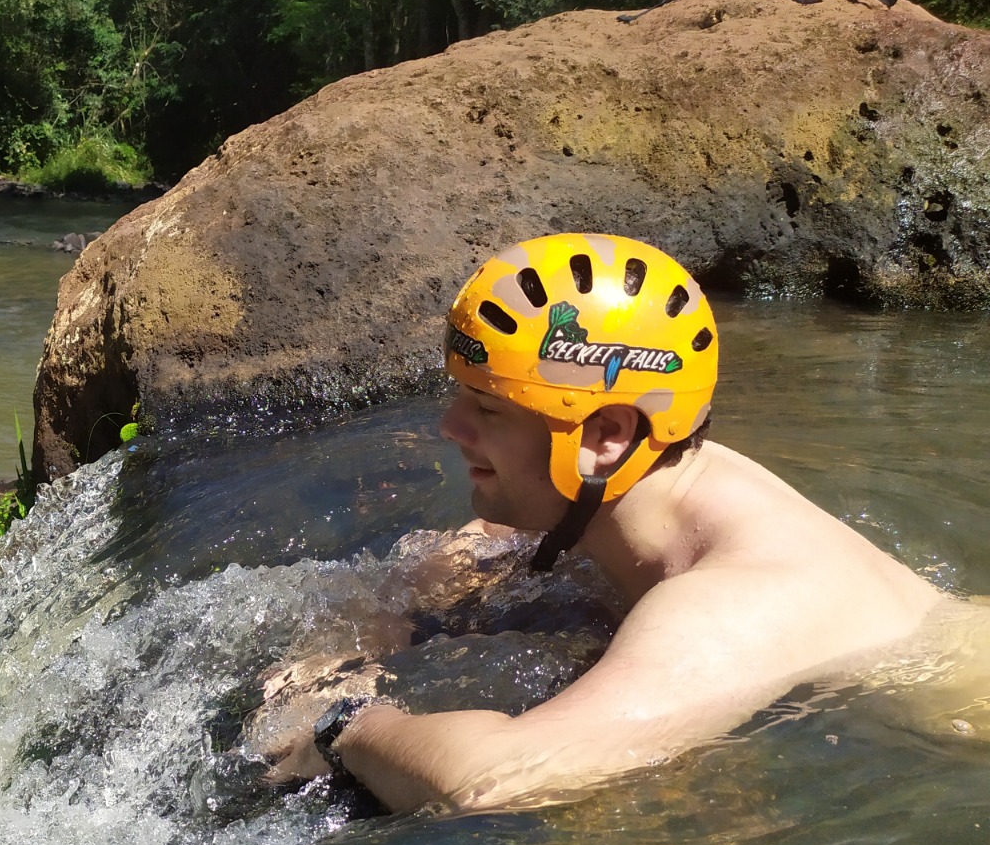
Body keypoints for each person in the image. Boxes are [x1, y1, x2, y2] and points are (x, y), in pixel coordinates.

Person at [260, 232, 952, 815]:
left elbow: (499, 782)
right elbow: (459, 559)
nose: (450, 427)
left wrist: (343, 721)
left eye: (489, 410)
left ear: (607, 435)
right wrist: (363, 636)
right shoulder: (656, 484)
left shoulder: (731, 603)